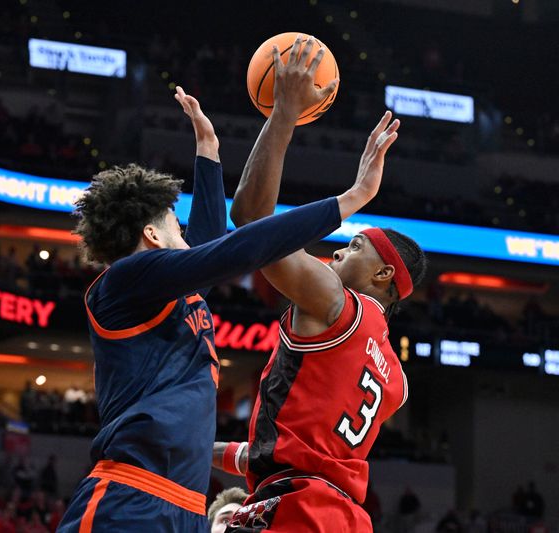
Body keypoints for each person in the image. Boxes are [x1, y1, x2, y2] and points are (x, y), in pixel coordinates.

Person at [58, 79, 382, 532]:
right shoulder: (124, 282)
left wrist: (208, 150)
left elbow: (209, 244)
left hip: (188, 507)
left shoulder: (173, 295)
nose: (186, 235)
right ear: (151, 236)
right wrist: (351, 200)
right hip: (129, 497)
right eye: (176, 224)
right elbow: (231, 251)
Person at [213, 37, 426, 532]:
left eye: (352, 248)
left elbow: (251, 222)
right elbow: (288, 450)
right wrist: (193, 445)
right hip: (339, 515)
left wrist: (283, 113)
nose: (334, 252)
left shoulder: (339, 306)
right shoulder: (396, 380)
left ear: (382, 275)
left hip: (300, 510)